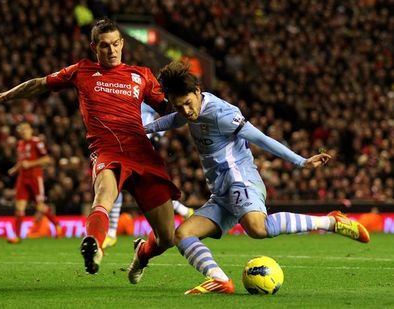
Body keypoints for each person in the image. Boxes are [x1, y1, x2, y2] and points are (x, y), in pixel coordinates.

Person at [0, 18, 180, 282]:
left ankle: (141, 253)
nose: (111, 50)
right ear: (94, 47)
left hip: (142, 153)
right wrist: (1, 97)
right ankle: (94, 244)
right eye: (104, 46)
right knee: (103, 196)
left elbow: (172, 111)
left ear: (123, 43)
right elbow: (39, 84)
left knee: (167, 237)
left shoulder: (141, 75)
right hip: (107, 151)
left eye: (115, 44)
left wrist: (197, 108)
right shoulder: (82, 71)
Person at [144, 61, 370, 294]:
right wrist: (144, 129)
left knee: (257, 228)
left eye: (188, 104)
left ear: (198, 91)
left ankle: (331, 222)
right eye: (179, 106)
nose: (186, 112)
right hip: (221, 191)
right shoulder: (188, 109)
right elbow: (175, 120)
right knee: (182, 235)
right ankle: (220, 280)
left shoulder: (222, 114)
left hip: (239, 179)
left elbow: (261, 138)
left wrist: (300, 161)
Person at [103, 103, 193, 249]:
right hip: (124, 146)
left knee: (149, 188)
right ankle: (184, 211)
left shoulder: (144, 95)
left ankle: (112, 233)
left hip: (144, 147)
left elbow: (168, 112)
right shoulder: (123, 96)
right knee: (118, 184)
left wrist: (158, 134)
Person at [5, 122, 62, 244]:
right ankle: (17, 236)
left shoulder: (37, 142)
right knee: (19, 208)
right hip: (22, 179)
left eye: (25, 129)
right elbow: (22, 161)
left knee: (40, 207)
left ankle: (57, 225)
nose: (23, 131)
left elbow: (47, 159)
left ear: (31, 130)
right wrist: (15, 169)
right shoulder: (20, 144)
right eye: (21, 129)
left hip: (35, 178)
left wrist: (30, 164)